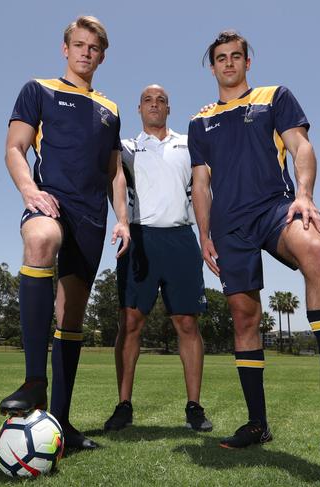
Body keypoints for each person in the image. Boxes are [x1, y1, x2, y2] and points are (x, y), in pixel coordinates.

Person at [189, 30, 320, 449]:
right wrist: (203, 235)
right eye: (220, 58)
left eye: (235, 56)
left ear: (247, 61)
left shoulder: (275, 96)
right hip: (229, 226)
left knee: (316, 248)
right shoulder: (199, 120)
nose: (228, 63)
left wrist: (305, 195)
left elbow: (301, 147)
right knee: (244, 317)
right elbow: (201, 183)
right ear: (212, 66)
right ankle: (257, 424)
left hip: (275, 207)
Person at [1, 15, 130, 450]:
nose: (85, 53)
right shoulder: (38, 90)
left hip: (93, 218)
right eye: (78, 45)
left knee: (72, 316)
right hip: (51, 200)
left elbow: (114, 173)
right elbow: (15, 148)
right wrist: (28, 190)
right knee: (39, 240)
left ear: (102, 55)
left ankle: (62, 422)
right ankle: (35, 380)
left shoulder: (110, 108)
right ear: (65, 48)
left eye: (93, 48)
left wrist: (123, 219)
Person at [103, 85, 212, 433]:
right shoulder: (126, 148)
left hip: (181, 239)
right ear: (139, 109)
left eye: (161, 100)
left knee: (187, 325)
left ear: (169, 108)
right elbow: (113, 182)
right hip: (140, 238)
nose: (154, 105)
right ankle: (123, 405)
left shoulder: (187, 142)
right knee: (130, 324)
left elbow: (202, 186)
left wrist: (206, 236)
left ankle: (194, 407)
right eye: (148, 100)